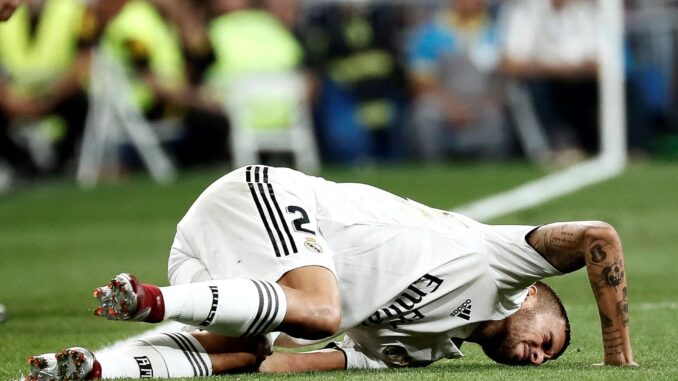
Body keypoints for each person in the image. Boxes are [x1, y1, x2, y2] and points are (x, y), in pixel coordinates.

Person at [25, 165, 636, 379]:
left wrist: (265, 355)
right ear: (532, 294)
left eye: (544, 362)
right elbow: (598, 237)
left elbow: (287, 360)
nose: (538, 356)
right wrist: (617, 356)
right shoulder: (500, 264)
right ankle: (153, 301)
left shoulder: (420, 352)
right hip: (267, 198)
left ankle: (91, 368)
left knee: (245, 352)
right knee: (321, 310)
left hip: (226, 258)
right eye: (549, 341)